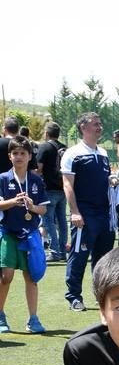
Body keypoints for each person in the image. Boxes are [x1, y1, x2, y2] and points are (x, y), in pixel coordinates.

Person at [61, 112, 112, 311]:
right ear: (83, 127)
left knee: (104, 258)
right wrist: (75, 212)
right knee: (79, 255)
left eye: (100, 123)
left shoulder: (104, 153)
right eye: (95, 124)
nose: (99, 127)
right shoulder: (72, 153)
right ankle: (73, 296)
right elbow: (67, 185)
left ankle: (101, 296)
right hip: (85, 213)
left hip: (105, 214)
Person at [0, 135, 49, 333]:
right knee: (6, 276)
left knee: (32, 276)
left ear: (30, 157)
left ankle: (33, 319)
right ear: (10, 156)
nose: (19, 157)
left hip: (30, 233)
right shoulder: (3, 178)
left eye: (23, 153)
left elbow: (44, 210)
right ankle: (1, 316)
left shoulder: (36, 180)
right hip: (8, 232)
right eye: (15, 153)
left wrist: (32, 206)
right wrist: (13, 202)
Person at [36, 121, 68, 261]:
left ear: (47, 133)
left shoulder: (44, 147)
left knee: (48, 221)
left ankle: (55, 251)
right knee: (62, 221)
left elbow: (38, 169)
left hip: (49, 189)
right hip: (63, 189)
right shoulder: (64, 147)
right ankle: (62, 250)